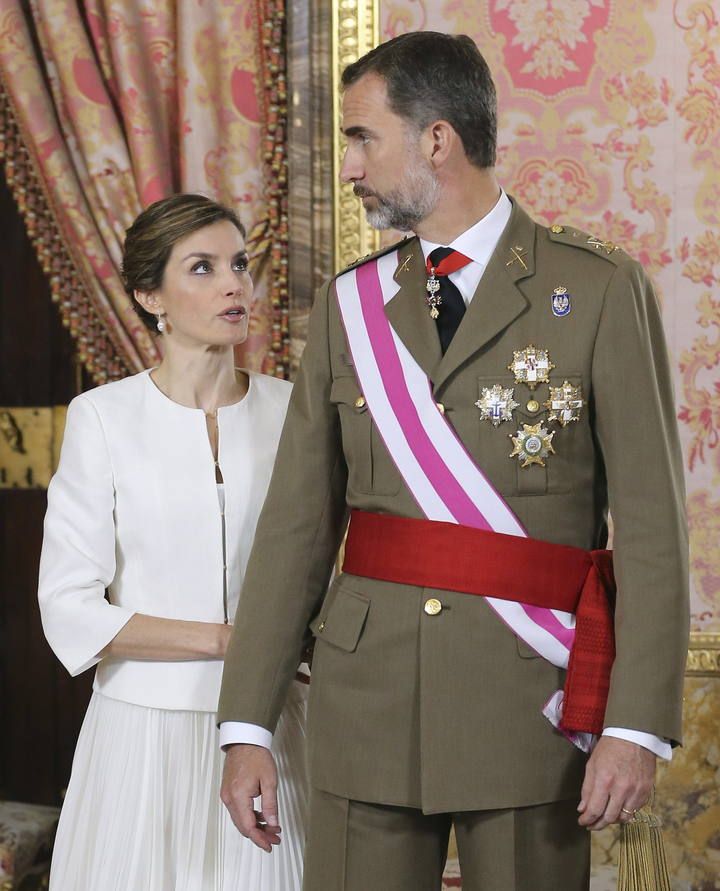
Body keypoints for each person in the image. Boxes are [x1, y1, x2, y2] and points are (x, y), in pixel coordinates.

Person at [218, 32, 689, 891]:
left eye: (363, 137)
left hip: (525, 708)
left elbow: (654, 529)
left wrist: (636, 725)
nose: (350, 165)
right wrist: (246, 722)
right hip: (368, 702)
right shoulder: (349, 304)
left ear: (437, 139)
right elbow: (297, 525)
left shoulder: (596, 291)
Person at [38, 194, 308, 891]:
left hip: (272, 726)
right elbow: (69, 605)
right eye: (204, 267)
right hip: (141, 736)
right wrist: (226, 639)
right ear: (149, 294)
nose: (234, 284)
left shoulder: (293, 410)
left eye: (240, 264)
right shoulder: (102, 418)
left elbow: (324, 570)